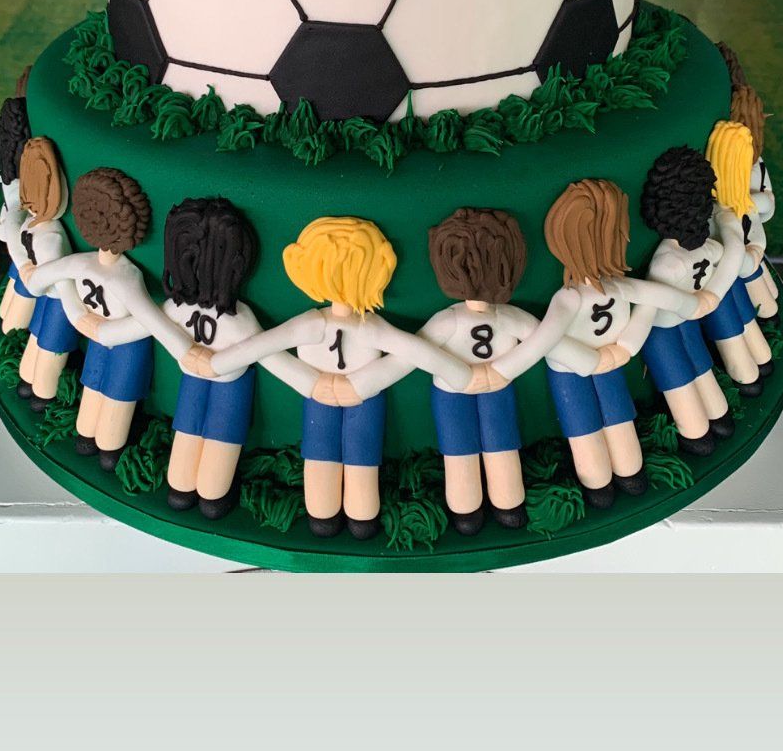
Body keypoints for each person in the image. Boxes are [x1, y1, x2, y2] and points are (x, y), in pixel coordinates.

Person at [181, 216, 471, 540]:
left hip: (361, 400)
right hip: (326, 399)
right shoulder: (325, 325)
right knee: (322, 460)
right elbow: (263, 348)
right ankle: (332, 516)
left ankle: (352, 517)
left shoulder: (361, 326)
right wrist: (312, 383)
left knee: (360, 459)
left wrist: (361, 384)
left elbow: (411, 353)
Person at [491, 179, 715, 508]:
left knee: (618, 417)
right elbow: (546, 339)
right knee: (583, 426)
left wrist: (626, 347)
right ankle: (599, 481)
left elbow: (653, 300)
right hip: (574, 370)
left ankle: (626, 473)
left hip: (608, 361)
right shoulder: (571, 298)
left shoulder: (616, 287)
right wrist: (591, 360)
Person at [421, 207, 604, 535]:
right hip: (454, 393)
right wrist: (463, 374)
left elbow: (543, 338)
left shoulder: (506, 317)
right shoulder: (450, 321)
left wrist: (501, 371)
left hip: (495, 390)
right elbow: (418, 351)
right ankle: (466, 508)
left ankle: (507, 503)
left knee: (500, 441)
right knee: (458, 447)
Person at [159, 197, 318, 521]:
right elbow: (269, 352)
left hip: (215, 385)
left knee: (197, 479)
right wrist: (310, 381)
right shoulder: (236, 318)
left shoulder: (179, 307)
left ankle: (198, 491)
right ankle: (203, 493)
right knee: (192, 473)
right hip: (215, 384)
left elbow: (150, 320)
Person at [22, 168, 180, 469]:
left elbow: (152, 321)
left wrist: (102, 330)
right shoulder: (88, 265)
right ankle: (94, 437)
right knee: (91, 399)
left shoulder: (124, 277)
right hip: (98, 338)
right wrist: (79, 316)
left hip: (124, 345)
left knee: (115, 408)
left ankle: (111, 444)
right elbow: (43, 279)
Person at [640, 145, 763, 445]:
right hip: (679, 324)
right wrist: (708, 297)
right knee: (690, 372)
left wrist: (699, 302)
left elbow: (651, 298)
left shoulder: (668, 261)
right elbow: (730, 254)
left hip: (668, 327)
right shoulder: (708, 248)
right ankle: (709, 423)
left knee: (694, 369)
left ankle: (703, 427)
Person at [14, 138, 84, 409]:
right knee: (41, 339)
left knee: (46, 342)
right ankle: (35, 383)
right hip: (52, 299)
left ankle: (39, 388)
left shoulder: (38, 230)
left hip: (54, 301)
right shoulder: (45, 234)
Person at [703, 120, 773, 383]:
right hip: (726, 277)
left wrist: (753, 253)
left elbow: (756, 227)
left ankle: (757, 355)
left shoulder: (741, 204)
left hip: (735, 271)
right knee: (737, 320)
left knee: (755, 312)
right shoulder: (719, 213)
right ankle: (749, 365)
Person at [730, 84, 778, 320]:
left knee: (772, 296)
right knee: (762, 306)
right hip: (738, 247)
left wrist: (747, 202)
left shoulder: (756, 167)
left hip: (753, 238)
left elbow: (768, 201)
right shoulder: (724, 170)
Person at [0, 86, 35, 333]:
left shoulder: (10, 180)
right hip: (27, 260)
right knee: (11, 320)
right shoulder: (19, 193)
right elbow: (7, 228)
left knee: (11, 316)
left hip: (28, 258)